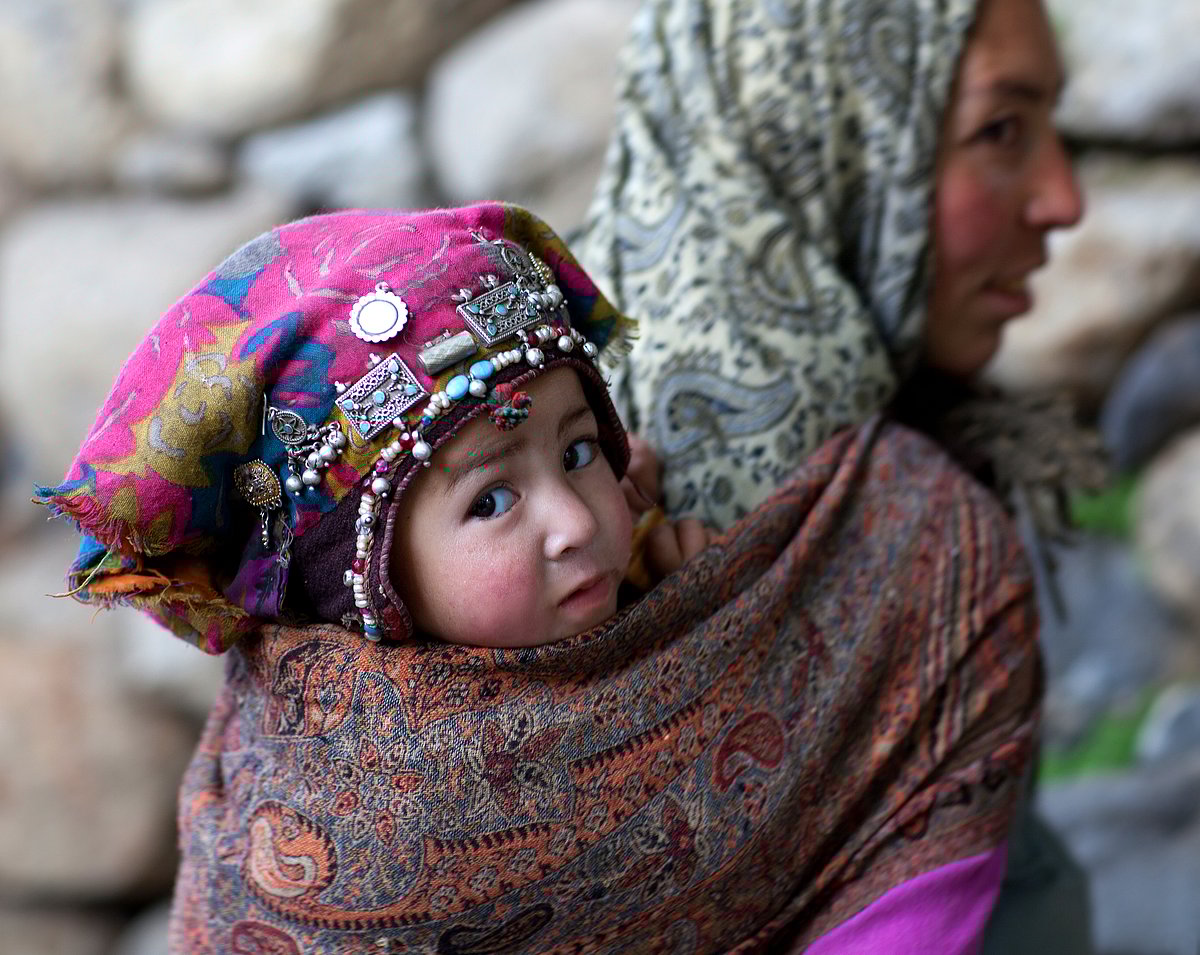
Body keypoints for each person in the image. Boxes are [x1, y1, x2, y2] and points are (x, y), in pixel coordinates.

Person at [40, 203, 1040, 952]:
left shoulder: (697, 607)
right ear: (360, 579)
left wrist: (703, 625)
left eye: (578, 451)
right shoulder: (327, 835)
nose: (575, 522)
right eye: (491, 501)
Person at [578, 0, 1099, 949]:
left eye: (1048, 122)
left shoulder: (564, 387)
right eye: (1001, 129)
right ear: (815, 127)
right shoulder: (773, 490)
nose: (1064, 199)